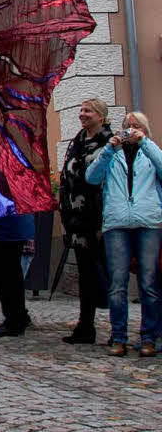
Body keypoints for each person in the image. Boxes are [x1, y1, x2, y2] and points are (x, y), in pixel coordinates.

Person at [86, 111, 162, 357]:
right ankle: (118, 337)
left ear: (144, 130)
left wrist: (146, 143)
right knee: (117, 284)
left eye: (136, 126)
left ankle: (149, 337)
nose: (131, 129)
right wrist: (108, 150)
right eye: (127, 126)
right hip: (117, 223)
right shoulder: (113, 155)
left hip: (148, 222)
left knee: (148, 282)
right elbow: (92, 177)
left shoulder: (150, 154)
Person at [58, 98, 112, 344]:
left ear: (100, 116)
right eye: (80, 110)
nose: (82, 114)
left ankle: (118, 329)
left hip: (102, 220)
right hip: (77, 221)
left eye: (87, 111)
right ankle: (85, 326)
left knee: (108, 271)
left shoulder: (109, 143)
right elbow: (67, 178)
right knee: (86, 274)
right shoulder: (77, 142)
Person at [0, 214, 35, 337]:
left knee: (6, 274)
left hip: (4, 229)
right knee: (11, 273)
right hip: (10, 228)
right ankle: (18, 317)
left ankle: (14, 321)